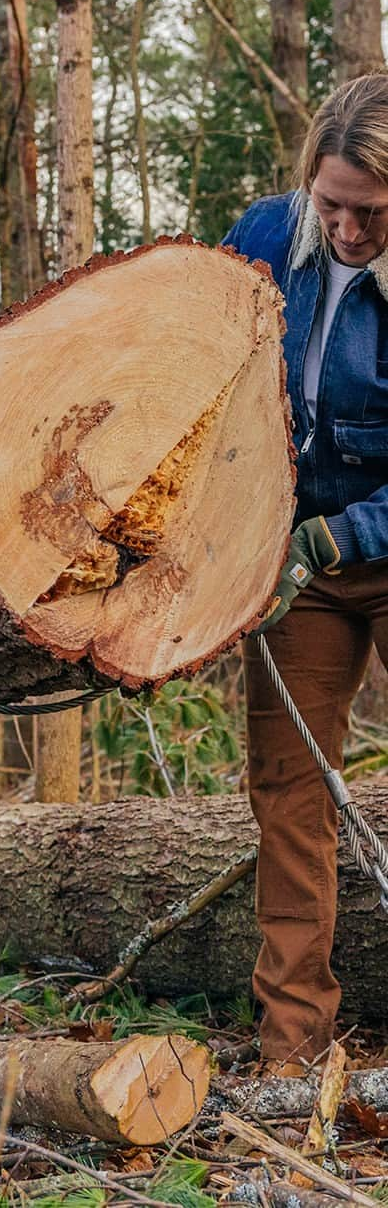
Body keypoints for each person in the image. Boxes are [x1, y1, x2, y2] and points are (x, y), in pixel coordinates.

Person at [224, 71, 388, 1075]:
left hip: (355, 541)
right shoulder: (262, 237)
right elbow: (205, 371)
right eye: (331, 205)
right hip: (297, 562)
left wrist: (334, 538)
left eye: (370, 212)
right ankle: (293, 1050)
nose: (347, 229)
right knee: (289, 795)